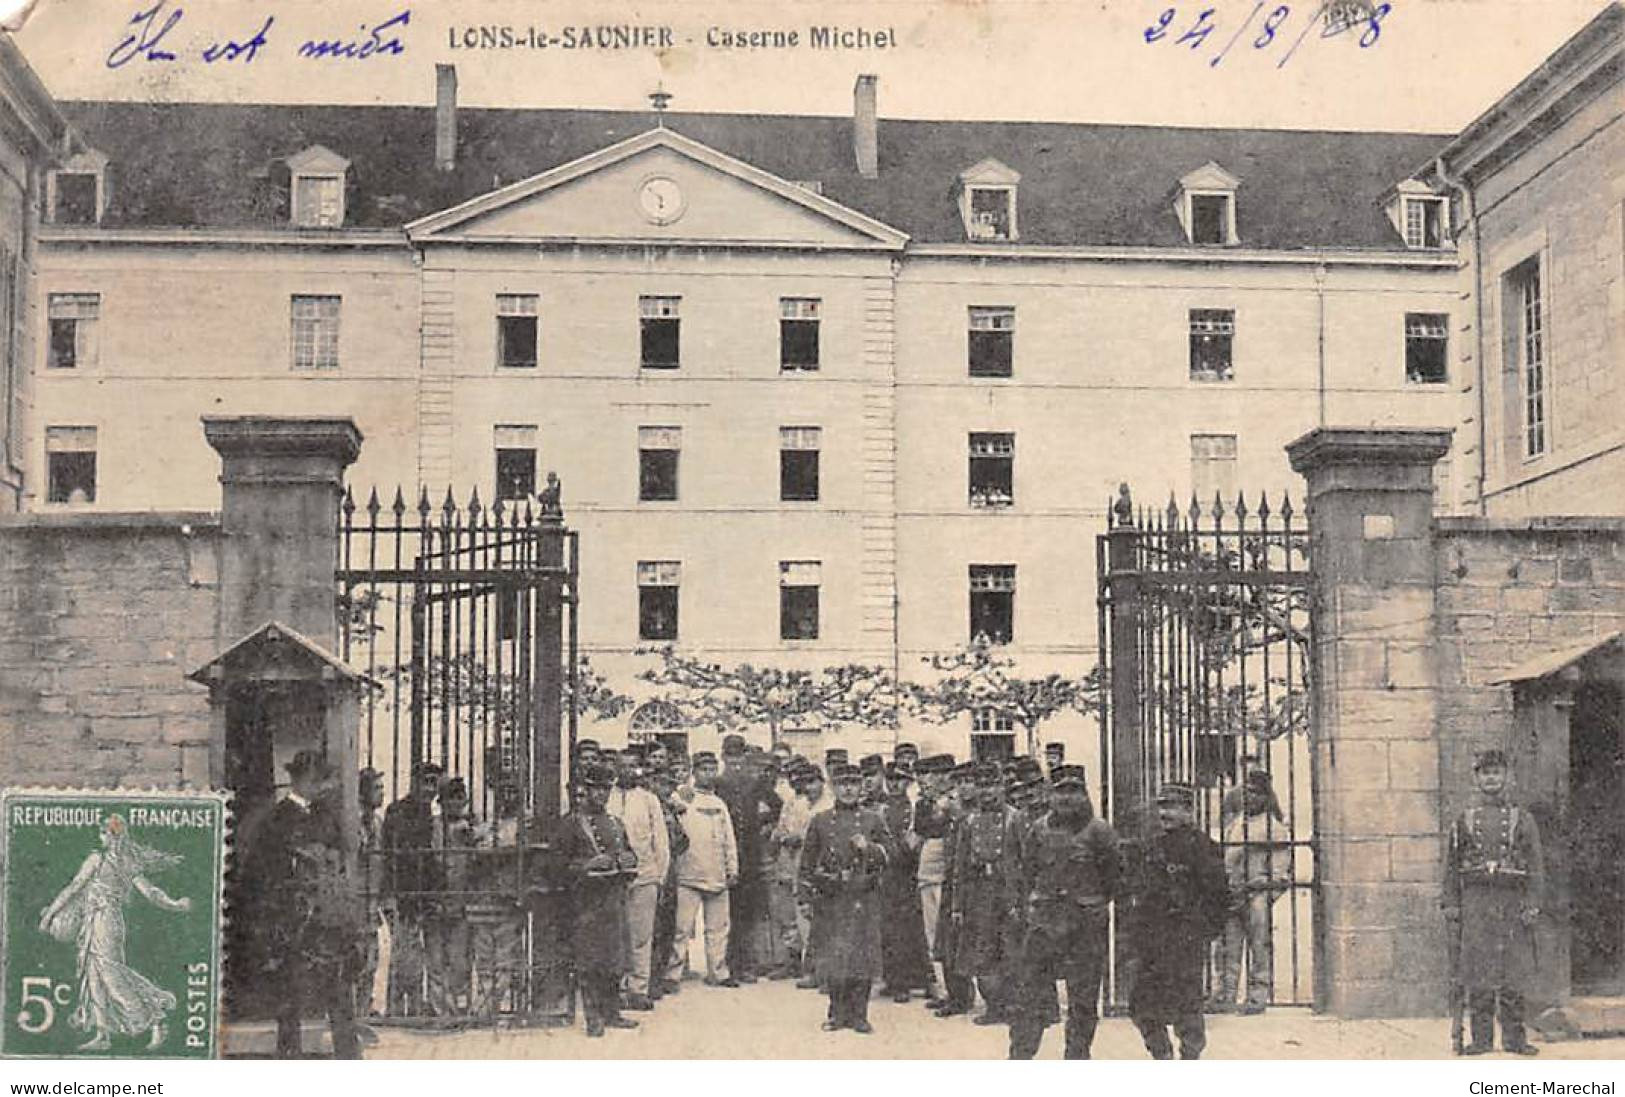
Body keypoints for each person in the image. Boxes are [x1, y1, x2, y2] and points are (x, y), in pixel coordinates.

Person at [38, 813, 191, 1052]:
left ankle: (154, 1017)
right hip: (94, 921)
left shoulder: (102, 860)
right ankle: (102, 1034)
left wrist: (174, 904)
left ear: (115, 837)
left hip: (106, 921)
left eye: (104, 833)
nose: (101, 837)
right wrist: (175, 904)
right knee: (93, 975)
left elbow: (75, 887)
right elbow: (75, 888)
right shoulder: (113, 861)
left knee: (111, 974)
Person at [1007, 766, 1119, 1059]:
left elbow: (1114, 877)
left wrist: (1090, 903)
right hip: (1044, 924)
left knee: (1082, 999)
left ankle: (1077, 1057)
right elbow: (1028, 869)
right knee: (1028, 995)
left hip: (1085, 926)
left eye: (1073, 791)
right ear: (1050, 794)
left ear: (1084, 794)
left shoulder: (1099, 830)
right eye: (1060, 791)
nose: (1066, 798)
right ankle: (1020, 1055)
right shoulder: (1039, 829)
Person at [260, 750, 361, 1059]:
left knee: (339, 988)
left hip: (328, 915)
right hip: (295, 917)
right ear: (300, 779)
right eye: (317, 780)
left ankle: (348, 1054)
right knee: (290, 992)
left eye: (323, 780)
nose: (322, 786)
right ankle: (289, 1055)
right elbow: (267, 871)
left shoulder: (326, 814)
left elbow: (341, 853)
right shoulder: (278, 818)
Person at [1444, 748, 1544, 1056]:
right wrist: (1451, 904)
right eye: (1485, 773)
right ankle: (1482, 1040)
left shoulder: (1521, 819)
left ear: (1507, 777)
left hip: (1511, 901)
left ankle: (1515, 1039)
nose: (1491, 779)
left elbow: (1536, 865)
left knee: (1512, 972)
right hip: (1476, 903)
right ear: (1476, 778)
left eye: (1497, 773)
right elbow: (1451, 865)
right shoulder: (1464, 820)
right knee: (1478, 972)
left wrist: (1532, 903)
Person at [1123, 783, 1228, 1060]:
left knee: (1187, 1006)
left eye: (1172, 807)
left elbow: (1218, 897)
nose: (1164, 813)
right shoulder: (1151, 847)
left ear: (1189, 810)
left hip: (1185, 940)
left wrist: (1201, 932)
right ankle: (1162, 1055)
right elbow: (1138, 890)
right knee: (1141, 1006)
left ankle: (1189, 1059)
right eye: (1162, 806)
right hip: (1152, 941)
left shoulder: (1205, 848)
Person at [799, 763, 891, 1033]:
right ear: (833, 787)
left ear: (861, 787)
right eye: (842, 784)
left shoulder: (874, 819)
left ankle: (859, 1015)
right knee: (835, 958)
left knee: (862, 958)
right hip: (832, 898)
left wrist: (870, 848)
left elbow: (892, 854)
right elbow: (806, 863)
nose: (848, 789)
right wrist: (805, 898)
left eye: (853, 783)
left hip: (864, 897)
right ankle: (837, 1013)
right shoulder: (821, 821)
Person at [560, 761, 640, 1037]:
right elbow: (557, 865)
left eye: (606, 790)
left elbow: (628, 853)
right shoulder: (572, 823)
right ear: (587, 789)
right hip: (587, 902)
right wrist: (588, 865)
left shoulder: (616, 823)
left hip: (613, 898)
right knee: (590, 961)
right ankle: (593, 1017)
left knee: (614, 958)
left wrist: (629, 859)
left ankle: (612, 1011)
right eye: (596, 790)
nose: (601, 795)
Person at [1214, 756, 1290, 1015]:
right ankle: (1225, 994)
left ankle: (1258, 996)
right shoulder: (1236, 823)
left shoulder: (1275, 828)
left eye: (1255, 793)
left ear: (1265, 797)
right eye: (1246, 792)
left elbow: (1280, 870)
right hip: (1232, 891)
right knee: (1227, 945)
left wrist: (1264, 891)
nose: (1249, 798)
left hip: (1257, 893)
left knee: (1259, 945)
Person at [951, 762, 1019, 1025]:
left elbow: (1026, 861)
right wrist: (958, 904)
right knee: (982, 949)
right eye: (982, 786)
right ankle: (993, 1006)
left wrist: (1019, 900)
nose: (987, 792)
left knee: (1010, 948)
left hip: (1007, 892)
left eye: (992, 785)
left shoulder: (1015, 818)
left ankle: (1012, 1006)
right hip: (979, 893)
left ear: (1002, 787)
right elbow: (960, 865)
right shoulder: (968, 822)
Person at [666, 752, 740, 988]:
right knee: (682, 928)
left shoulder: (719, 804)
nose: (708, 774)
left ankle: (718, 972)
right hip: (688, 872)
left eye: (711, 769)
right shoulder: (682, 797)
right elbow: (669, 805)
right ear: (694, 772)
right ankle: (672, 974)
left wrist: (732, 867)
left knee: (718, 928)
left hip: (717, 873)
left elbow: (729, 838)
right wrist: (679, 792)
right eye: (703, 769)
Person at [607, 752, 671, 1011]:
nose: (629, 771)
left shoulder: (649, 800)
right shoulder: (607, 798)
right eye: (623, 766)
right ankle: (617, 988)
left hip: (645, 875)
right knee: (616, 934)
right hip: (612, 878)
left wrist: (660, 876)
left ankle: (638, 989)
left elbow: (661, 840)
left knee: (641, 936)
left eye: (633, 766)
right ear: (615, 768)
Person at [716, 735, 780, 984]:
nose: (735, 762)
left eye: (738, 756)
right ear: (723, 757)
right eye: (730, 757)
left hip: (751, 855)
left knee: (747, 912)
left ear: (744, 757)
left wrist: (765, 826)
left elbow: (778, 805)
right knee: (726, 913)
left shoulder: (756, 783)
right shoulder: (718, 783)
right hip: (724, 854)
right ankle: (727, 965)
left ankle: (745, 965)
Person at [382, 760, 444, 1016]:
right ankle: (398, 1009)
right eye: (426, 782)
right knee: (404, 954)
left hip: (427, 894)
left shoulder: (433, 815)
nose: (431, 790)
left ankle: (418, 1006)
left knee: (425, 954)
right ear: (415, 782)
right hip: (404, 893)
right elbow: (395, 856)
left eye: (435, 784)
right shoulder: (398, 811)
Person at [878, 762, 934, 1002]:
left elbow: (919, 836)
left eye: (899, 780)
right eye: (890, 779)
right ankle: (894, 980)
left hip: (910, 872)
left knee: (912, 927)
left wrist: (905, 851)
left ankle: (919, 979)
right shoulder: (879, 810)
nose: (894, 784)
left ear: (908, 782)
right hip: (887, 873)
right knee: (889, 927)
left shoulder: (915, 808)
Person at [933, 761, 980, 1017]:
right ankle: (955, 995)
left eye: (969, 782)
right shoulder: (952, 812)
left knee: (966, 940)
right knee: (947, 941)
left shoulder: (976, 813)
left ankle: (967, 995)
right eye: (960, 782)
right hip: (951, 879)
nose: (965, 787)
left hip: (972, 884)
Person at [912, 754, 955, 1006]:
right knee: (932, 931)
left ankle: (960, 990)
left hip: (953, 872)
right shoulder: (924, 804)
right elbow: (919, 834)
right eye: (932, 774)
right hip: (929, 871)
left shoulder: (958, 802)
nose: (937, 779)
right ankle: (941, 987)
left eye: (942, 773)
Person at [433, 777, 477, 1013]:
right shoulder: (433, 826)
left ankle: (461, 1006)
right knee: (436, 960)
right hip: (436, 899)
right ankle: (441, 1010)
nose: (455, 804)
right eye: (450, 799)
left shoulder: (471, 828)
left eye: (459, 799)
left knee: (460, 960)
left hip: (462, 901)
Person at [647, 764, 690, 1001]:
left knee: (667, 926)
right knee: (651, 928)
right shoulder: (646, 805)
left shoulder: (671, 810)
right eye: (661, 783)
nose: (664, 789)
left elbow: (683, 841)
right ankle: (649, 979)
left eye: (669, 785)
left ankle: (660, 976)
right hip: (652, 869)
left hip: (670, 869)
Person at [356, 767, 387, 1018]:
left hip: (371, 895)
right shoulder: (354, 821)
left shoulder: (377, 821)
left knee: (371, 955)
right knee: (358, 955)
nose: (382, 793)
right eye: (377, 788)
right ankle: (355, 1011)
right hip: (356, 896)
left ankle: (364, 1007)